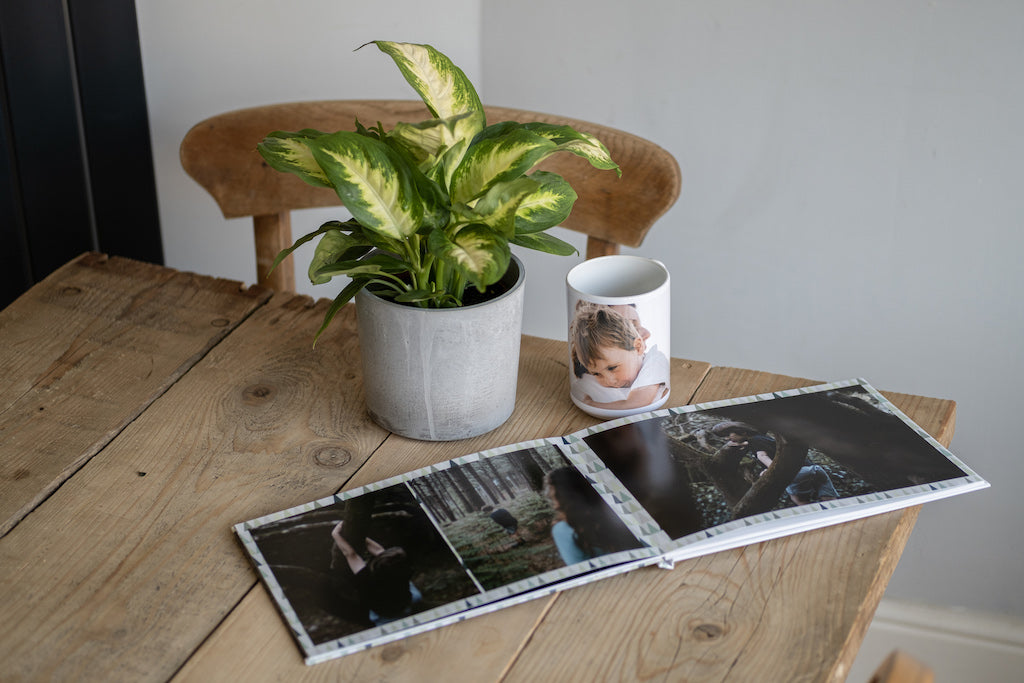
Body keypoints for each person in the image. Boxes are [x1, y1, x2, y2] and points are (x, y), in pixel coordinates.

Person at [569, 303, 669, 411]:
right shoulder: (588, 382)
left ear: (637, 347)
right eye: (597, 374)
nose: (610, 381)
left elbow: (636, 403)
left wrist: (591, 404)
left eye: (612, 368)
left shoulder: (654, 361)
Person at [711, 421, 839, 505]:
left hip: (796, 474)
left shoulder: (754, 441)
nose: (727, 438)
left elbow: (762, 456)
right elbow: (747, 445)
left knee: (798, 499)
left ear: (743, 432)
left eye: (728, 434)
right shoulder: (763, 439)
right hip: (813, 468)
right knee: (828, 497)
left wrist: (771, 470)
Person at [331, 521, 422, 626]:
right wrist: (357, 533)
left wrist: (335, 534)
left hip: (387, 618)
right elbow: (379, 551)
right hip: (404, 601)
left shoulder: (367, 581)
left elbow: (350, 554)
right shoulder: (400, 571)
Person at [544, 466, 639, 565]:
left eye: (552, 495)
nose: (551, 499)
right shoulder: (610, 507)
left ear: (562, 496)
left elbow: (578, 568)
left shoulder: (562, 528)